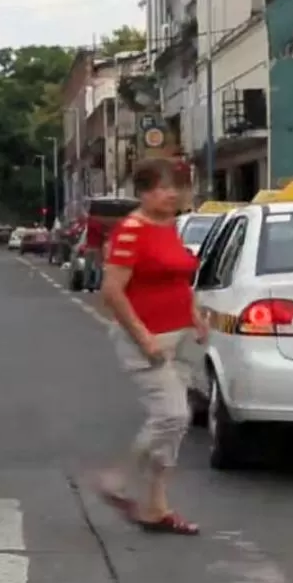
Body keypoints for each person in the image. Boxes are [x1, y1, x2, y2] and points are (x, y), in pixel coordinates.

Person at [95, 157, 207, 535]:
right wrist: (143, 338)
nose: (172, 193)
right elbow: (112, 291)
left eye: (176, 186)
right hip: (147, 338)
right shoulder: (130, 231)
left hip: (182, 336)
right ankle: (118, 478)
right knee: (171, 415)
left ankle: (156, 507)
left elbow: (180, 278)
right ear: (143, 192)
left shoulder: (169, 227)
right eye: (162, 186)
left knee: (176, 425)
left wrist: (195, 314)